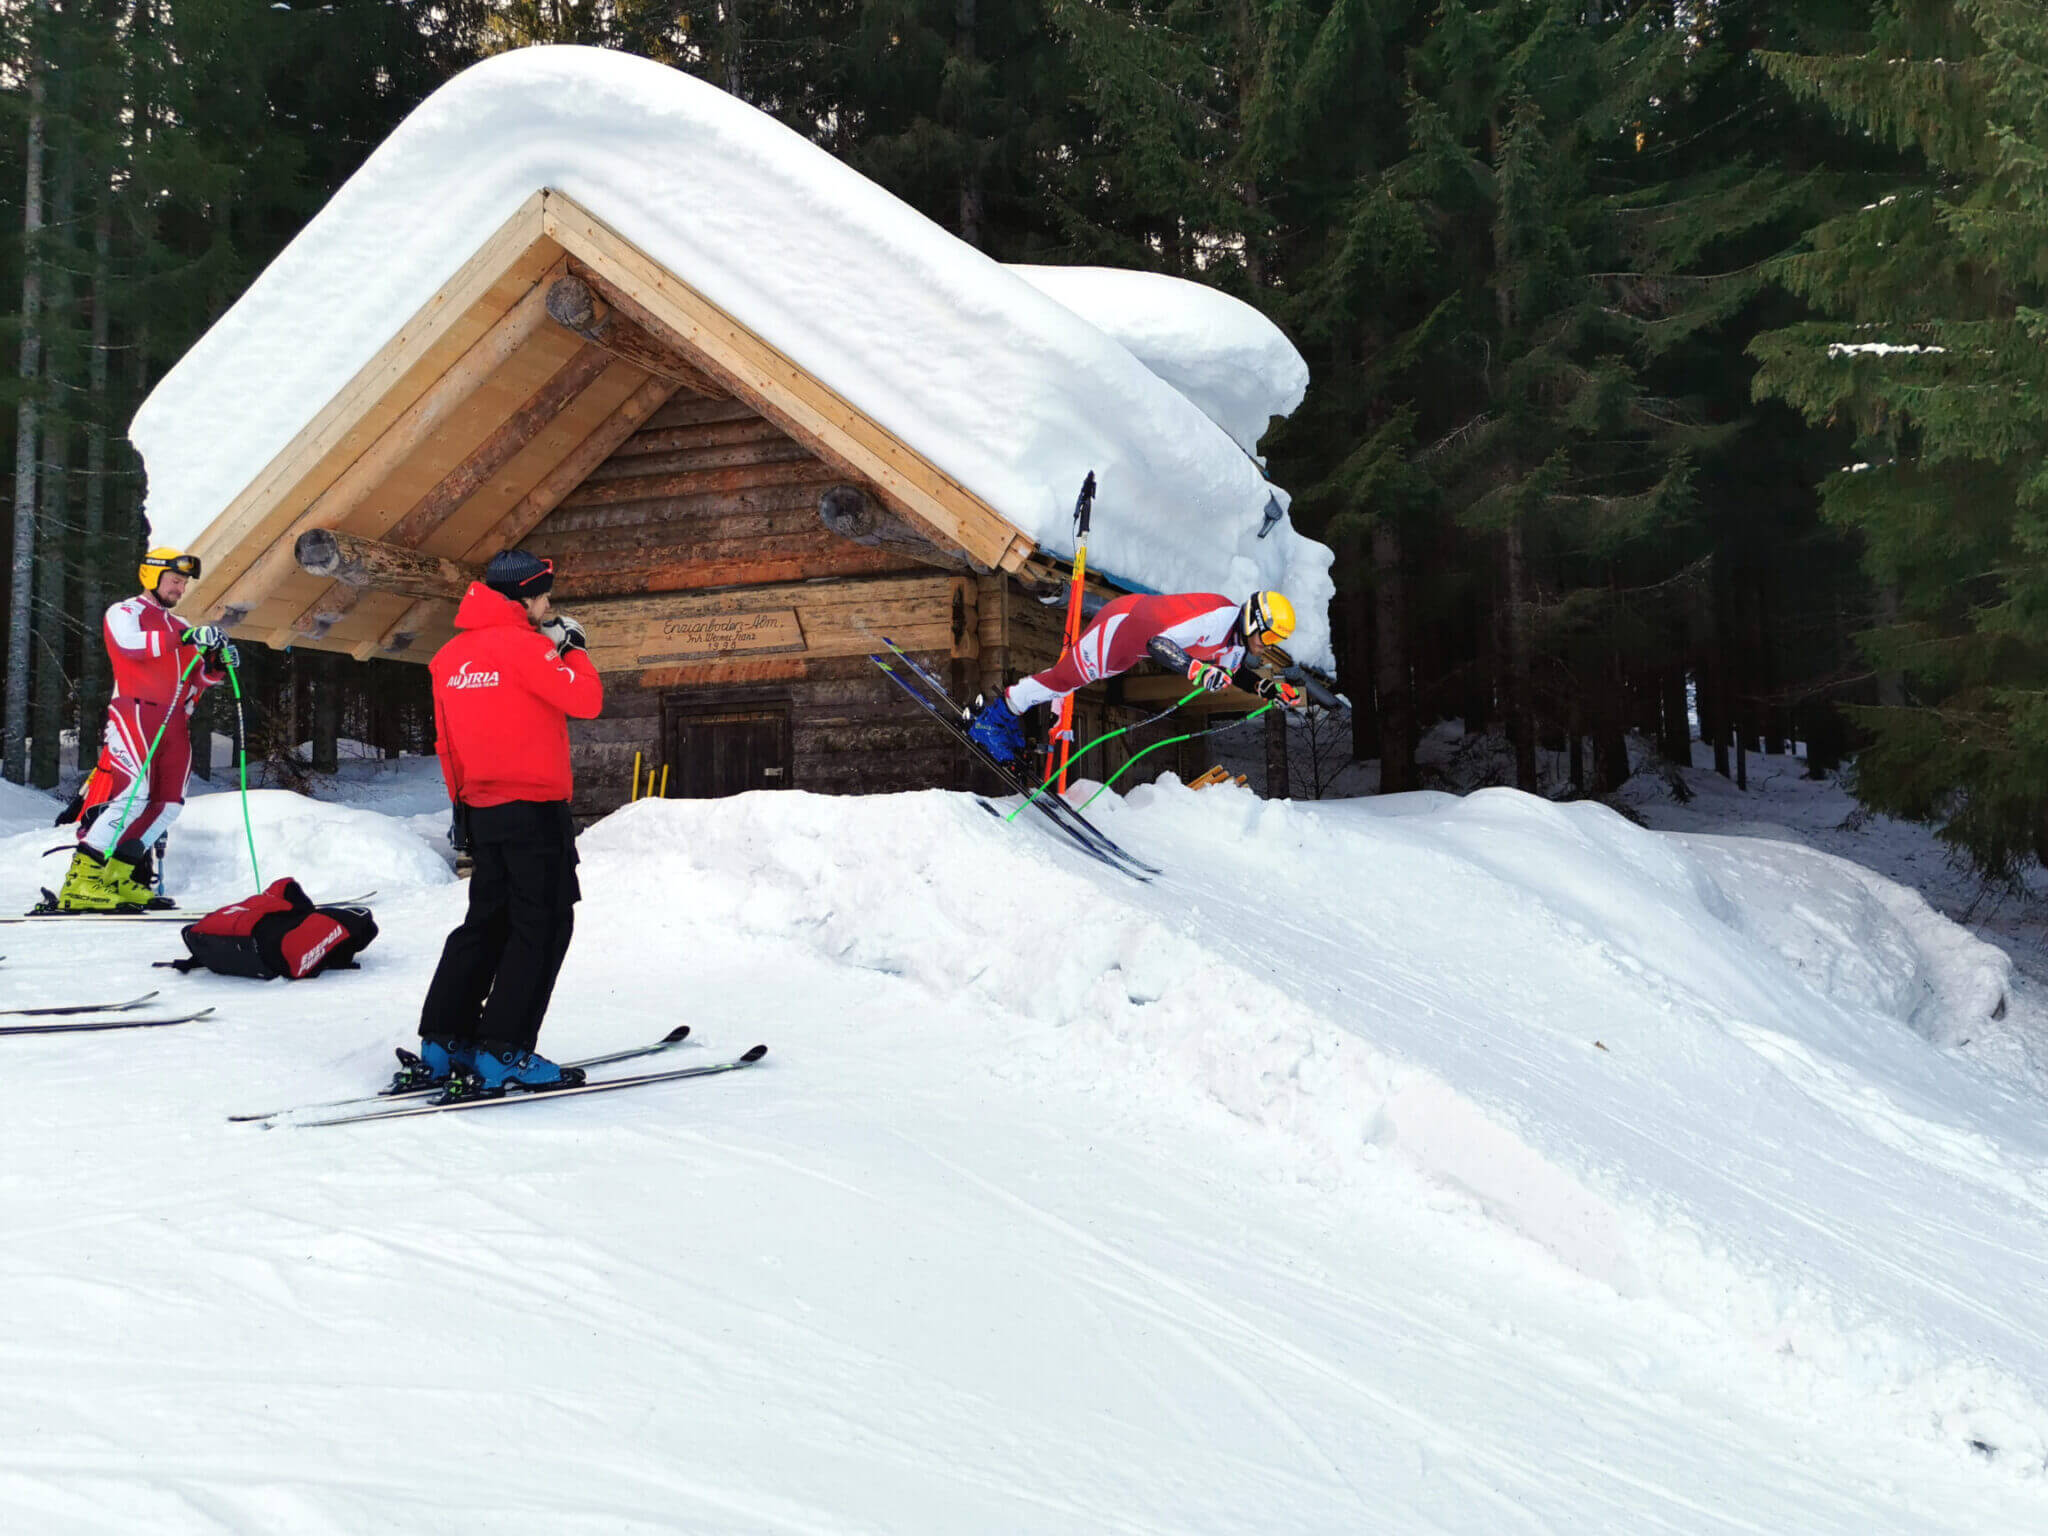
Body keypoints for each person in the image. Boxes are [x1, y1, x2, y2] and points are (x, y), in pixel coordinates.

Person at [403, 549, 603, 1099]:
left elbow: (447, 744)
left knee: (485, 923)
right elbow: (585, 701)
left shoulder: (450, 657)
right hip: (535, 809)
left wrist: (461, 807)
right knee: (542, 927)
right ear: (526, 596)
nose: (549, 606)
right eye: (544, 596)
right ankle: (504, 1050)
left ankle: (445, 1041)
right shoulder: (527, 649)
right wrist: (574, 651)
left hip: (481, 809)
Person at [54, 547, 232, 911]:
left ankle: (118, 876)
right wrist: (185, 639)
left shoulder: (181, 626)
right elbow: (129, 645)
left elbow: (197, 677)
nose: (180, 589)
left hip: (173, 720)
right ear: (151, 577)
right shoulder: (125, 612)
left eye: (183, 584)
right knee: (133, 798)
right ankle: (81, 881)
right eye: (174, 581)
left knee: (168, 805)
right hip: (134, 712)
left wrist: (216, 663)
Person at [966, 589, 1305, 767]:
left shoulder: (1234, 642)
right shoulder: (1218, 618)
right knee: (1064, 680)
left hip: (1129, 651)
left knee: (1071, 680)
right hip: (1121, 626)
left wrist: (1268, 689)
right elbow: (1159, 643)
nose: (1268, 647)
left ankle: (1005, 714)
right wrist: (1196, 670)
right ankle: (994, 719)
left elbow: (1234, 673)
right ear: (1253, 623)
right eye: (1270, 637)